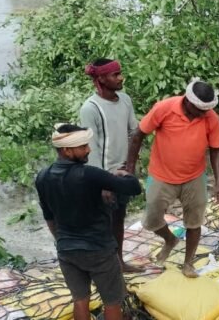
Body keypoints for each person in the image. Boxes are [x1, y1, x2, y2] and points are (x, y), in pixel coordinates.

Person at [36, 124, 142, 320]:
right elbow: (134, 188)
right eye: (82, 146)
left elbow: (49, 216)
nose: (88, 150)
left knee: (80, 299)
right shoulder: (90, 174)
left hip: (67, 251)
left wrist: (62, 241)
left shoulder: (42, 177)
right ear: (66, 150)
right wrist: (121, 174)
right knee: (112, 302)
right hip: (99, 250)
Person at [126, 79, 219, 278]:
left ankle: (188, 263)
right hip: (161, 175)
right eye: (200, 110)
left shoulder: (210, 118)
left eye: (206, 110)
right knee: (151, 219)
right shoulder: (164, 108)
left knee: (194, 222)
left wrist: (218, 181)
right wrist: (130, 168)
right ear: (188, 101)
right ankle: (170, 240)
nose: (204, 114)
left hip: (194, 177)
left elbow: (216, 150)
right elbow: (138, 135)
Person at [79, 58, 143, 273]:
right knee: (101, 224)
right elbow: (91, 148)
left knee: (118, 219)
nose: (120, 78)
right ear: (101, 79)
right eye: (115, 75)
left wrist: (131, 165)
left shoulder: (124, 99)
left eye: (119, 73)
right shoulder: (91, 108)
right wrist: (103, 183)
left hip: (122, 172)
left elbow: (133, 131)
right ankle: (102, 268)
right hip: (103, 176)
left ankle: (119, 263)